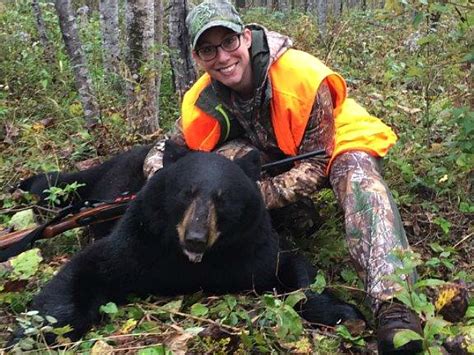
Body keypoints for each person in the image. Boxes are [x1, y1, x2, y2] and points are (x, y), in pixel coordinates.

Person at [143, 1, 422, 353]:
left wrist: (247, 197)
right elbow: (163, 151)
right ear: (198, 57)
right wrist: (168, 189)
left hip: (334, 143)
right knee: (219, 164)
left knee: (360, 182)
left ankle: (395, 306)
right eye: (209, 49)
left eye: (229, 42)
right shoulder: (203, 98)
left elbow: (315, 167)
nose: (223, 57)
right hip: (277, 147)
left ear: (245, 37)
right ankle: (285, 223)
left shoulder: (300, 76)